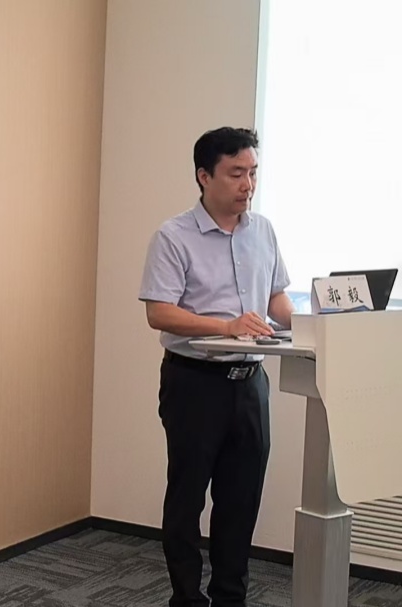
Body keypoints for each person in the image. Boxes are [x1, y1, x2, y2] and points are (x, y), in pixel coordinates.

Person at [138, 127, 295, 607]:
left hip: (251, 385)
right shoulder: (173, 236)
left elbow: (276, 300)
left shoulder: (263, 230)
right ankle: (186, 598)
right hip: (194, 383)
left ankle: (230, 598)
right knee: (187, 499)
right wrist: (226, 326)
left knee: (241, 501)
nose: (248, 184)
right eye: (236, 173)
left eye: (253, 173)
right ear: (204, 176)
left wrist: (315, 323)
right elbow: (159, 312)